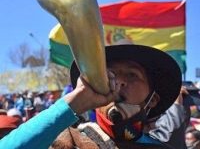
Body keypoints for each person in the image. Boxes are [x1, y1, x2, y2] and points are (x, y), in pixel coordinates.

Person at [0, 44, 182, 148]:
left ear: (154, 99)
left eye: (132, 75)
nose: (118, 81)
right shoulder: (66, 140)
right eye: (108, 75)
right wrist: (73, 103)